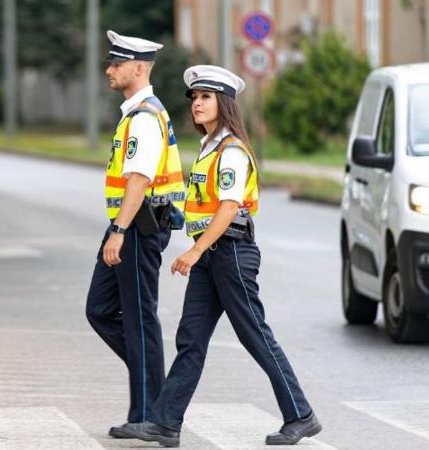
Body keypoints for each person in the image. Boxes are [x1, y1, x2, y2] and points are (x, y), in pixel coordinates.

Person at [129, 65, 322, 447]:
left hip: (231, 253)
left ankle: (301, 415)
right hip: (211, 256)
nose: (197, 104)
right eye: (195, 98)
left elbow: (230, 207)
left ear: (225, 104)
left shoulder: (231, 150)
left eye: (206, 97)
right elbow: (205, 204)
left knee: (254, 335)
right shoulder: (209, 149)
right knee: (191, 338)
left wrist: (194, 250)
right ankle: (167, 424)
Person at [85, 30, 186, 439]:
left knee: (140, 319)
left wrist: (118, 231)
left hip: (138, 230)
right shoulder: (135, 114)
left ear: (139, 68)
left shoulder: (145, 117)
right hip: (131, 229)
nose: (109, 70)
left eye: (117, 63)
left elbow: (139, 180)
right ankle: (155, 398)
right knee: (101, 309)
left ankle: (148, 414)